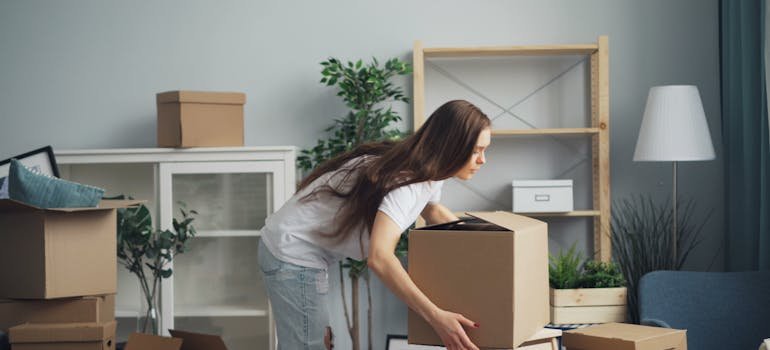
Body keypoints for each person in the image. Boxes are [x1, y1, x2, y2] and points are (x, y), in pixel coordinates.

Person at [258, 100, 492, 350]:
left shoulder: (431, 172)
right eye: (476, 151)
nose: (483, 160)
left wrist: (482, 246)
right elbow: (379, 258)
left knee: (317, 342)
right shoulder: (407, 182)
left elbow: (433, 210)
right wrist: (436, 317)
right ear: (452, 147)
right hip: (292, 251)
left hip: (302, 250)